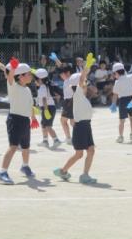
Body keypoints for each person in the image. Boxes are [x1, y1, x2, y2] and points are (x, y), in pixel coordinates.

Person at [54, 53, 97, 184]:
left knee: (90, 150)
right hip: (81, 127)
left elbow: (83, 78)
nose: (86, 83)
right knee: (79, 154)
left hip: (86, 126)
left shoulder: (82, 96)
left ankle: (84, 175)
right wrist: (87, 67)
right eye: (84, 82)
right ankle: (63, 170)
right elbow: (82, 77)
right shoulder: (77, 93)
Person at [0, 59, 38, 184]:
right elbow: (9, 76)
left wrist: (33, 118)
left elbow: (30, 105)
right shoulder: (13, 86)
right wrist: (12, 69)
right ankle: (2, 172)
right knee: (13, 146)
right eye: (28, 74)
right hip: (15, 119)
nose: (31, 76)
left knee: (26, 146)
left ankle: (25, 166)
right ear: (20, 76)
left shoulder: (28, 90)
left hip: (25, 120)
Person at [49, 53, 74, 144]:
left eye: (62, 74)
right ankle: (71, 138)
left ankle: (69, 138)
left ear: (67, 73)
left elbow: (62, 69)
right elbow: (62, 68)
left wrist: (57, 60)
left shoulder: (70, 80)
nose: (60, 75)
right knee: (71, 121)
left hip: (69, 101)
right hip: (69, 101)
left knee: (65, 121)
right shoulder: (70, 78)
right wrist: (56, 60)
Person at [35, 68, 61, 148]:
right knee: (43, 124)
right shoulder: (46, 85)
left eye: (35, 80)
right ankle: (45, 141)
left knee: (48, 126)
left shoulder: (42, 87)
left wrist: (45, 110)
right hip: (48, 107)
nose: (34, 81)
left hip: (47, 108)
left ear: (39, 79)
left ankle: (56, 140)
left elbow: (44, 99)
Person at [110, 62, 132, 143]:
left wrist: (113, 103)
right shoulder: (131, 77)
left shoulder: (117, 82)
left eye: (114, 74)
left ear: (116, 72)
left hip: (123, 101)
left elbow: (115, 94)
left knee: (122, 120)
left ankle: (121, 137)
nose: (114, 75)